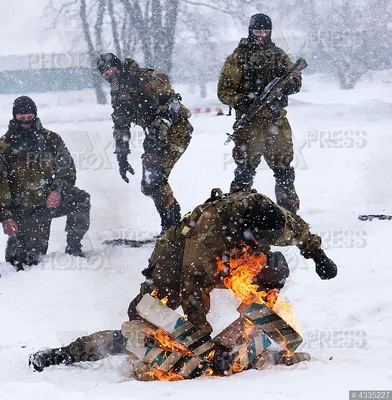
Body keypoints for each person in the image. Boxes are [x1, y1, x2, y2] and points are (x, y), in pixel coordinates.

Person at [29, 188, 337, 372]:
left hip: (229, 259)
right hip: (175, 263)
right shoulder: (210, 233)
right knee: (144, 325)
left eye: (266, 241)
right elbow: (194, 285)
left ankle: (249, 332)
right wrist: (201, 343)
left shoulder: (274, 219)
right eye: (257, 240)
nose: (261, 246)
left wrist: (318, 255)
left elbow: (300, 231)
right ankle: (64, 353)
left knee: (275, 268)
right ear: (245, 228)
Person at [97, 53, 193, 233]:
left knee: (155, 179)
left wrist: (158, 129)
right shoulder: (118, 91)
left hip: (177, 131)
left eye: (112, 69)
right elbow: (121, 125)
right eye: (106, 74)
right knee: (149, 185)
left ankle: (172, 227)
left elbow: (173, 105)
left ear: (119, 66)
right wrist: (122, 156)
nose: (110, 75)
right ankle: (173, 225)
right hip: (155, 137)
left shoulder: (145, 78)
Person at [217, 14, 302, 214]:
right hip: (250, 124)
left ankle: (288, 216)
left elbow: (296, 80)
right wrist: (243, 100)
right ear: (250, 31)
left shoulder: (278, 55)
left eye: (265, 31)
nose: (261, 35)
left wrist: (288, 85)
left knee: (284, 171)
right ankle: (237, 217)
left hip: (276, 121)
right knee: (245, 172)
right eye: (257, 31)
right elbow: (223, 92)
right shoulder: (238, 57)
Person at [0, 96, 91, 270]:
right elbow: (1, 184)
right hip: (23, 209)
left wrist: (58, 190)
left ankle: (74, 247)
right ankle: (17, 244)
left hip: (49, 201)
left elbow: (67, 169)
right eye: (21, 117)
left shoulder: (51, 139)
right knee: (26, 261)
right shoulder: (4, 147)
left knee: (81, 199)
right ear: (15, 116)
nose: (26, 121)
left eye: (29, 116)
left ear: (35, 115)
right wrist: (6, 216)